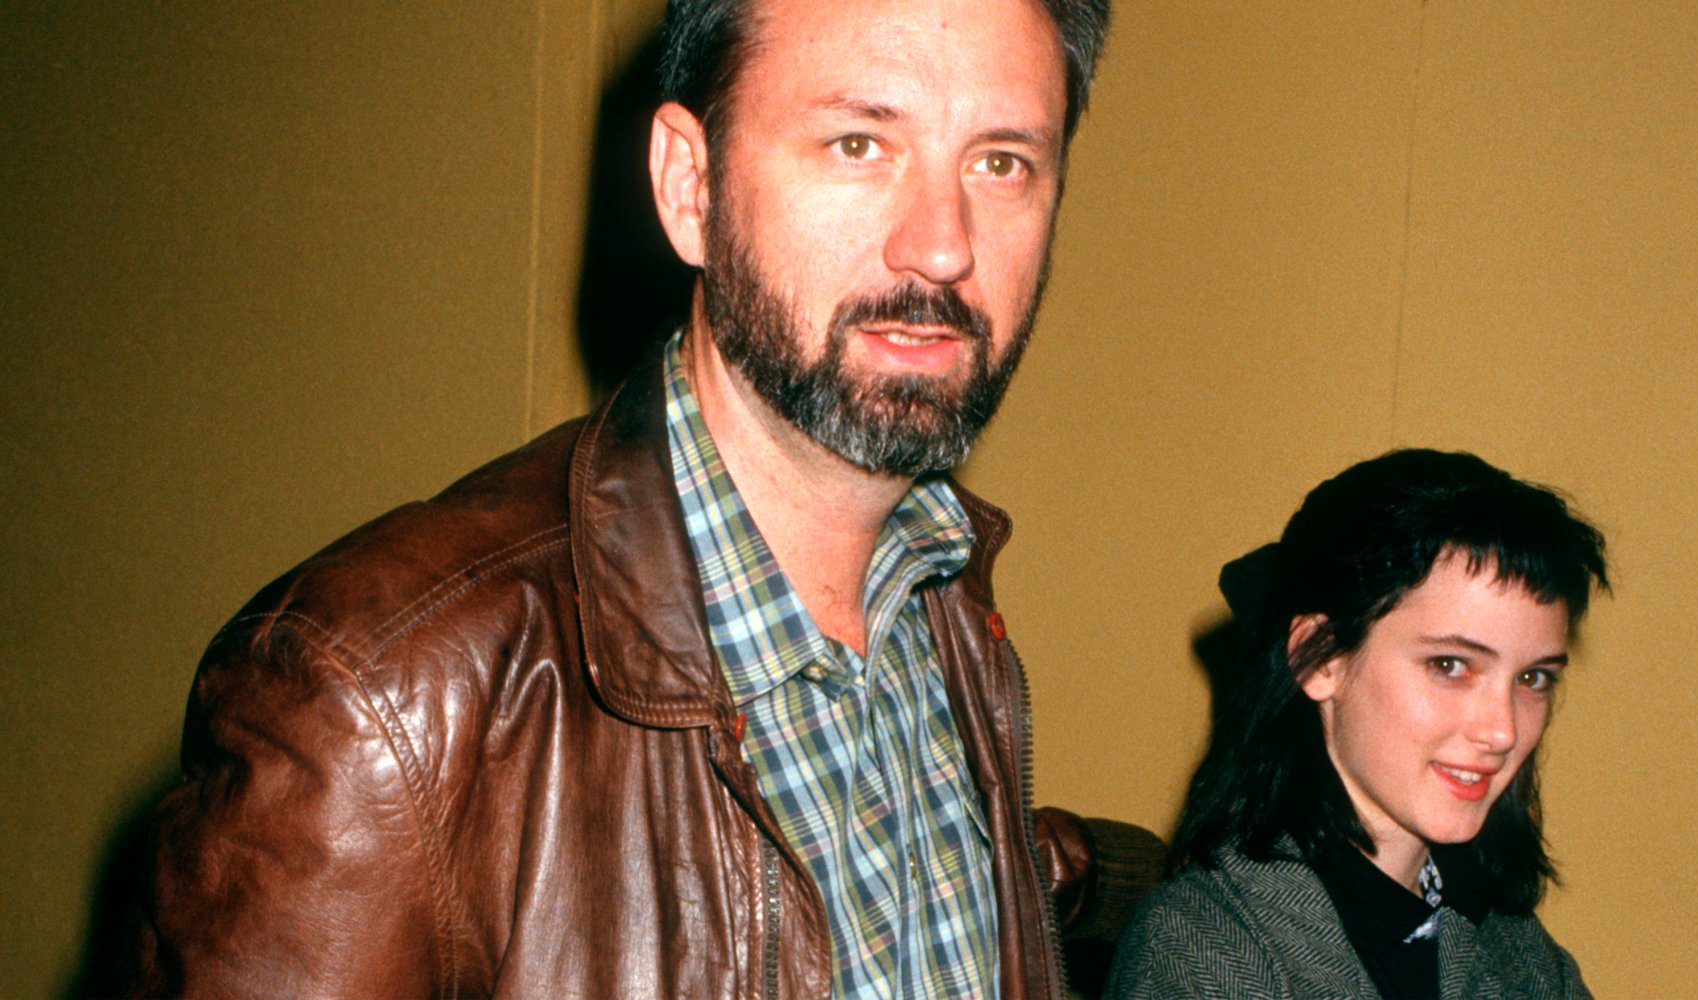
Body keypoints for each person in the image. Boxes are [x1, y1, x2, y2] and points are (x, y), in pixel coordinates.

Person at [123, 0, 1135, 996]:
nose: (942, 246)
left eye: (1000, 162)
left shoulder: (947, 602)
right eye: (858, 145)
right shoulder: (379, 702)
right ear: (688, 185)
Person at [1105, 449, 1607, 999]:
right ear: (1319, 658)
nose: (1503, 731)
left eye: (1533, 678)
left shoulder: (1521, 953)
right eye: (1450, 666)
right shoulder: (1203, 950)